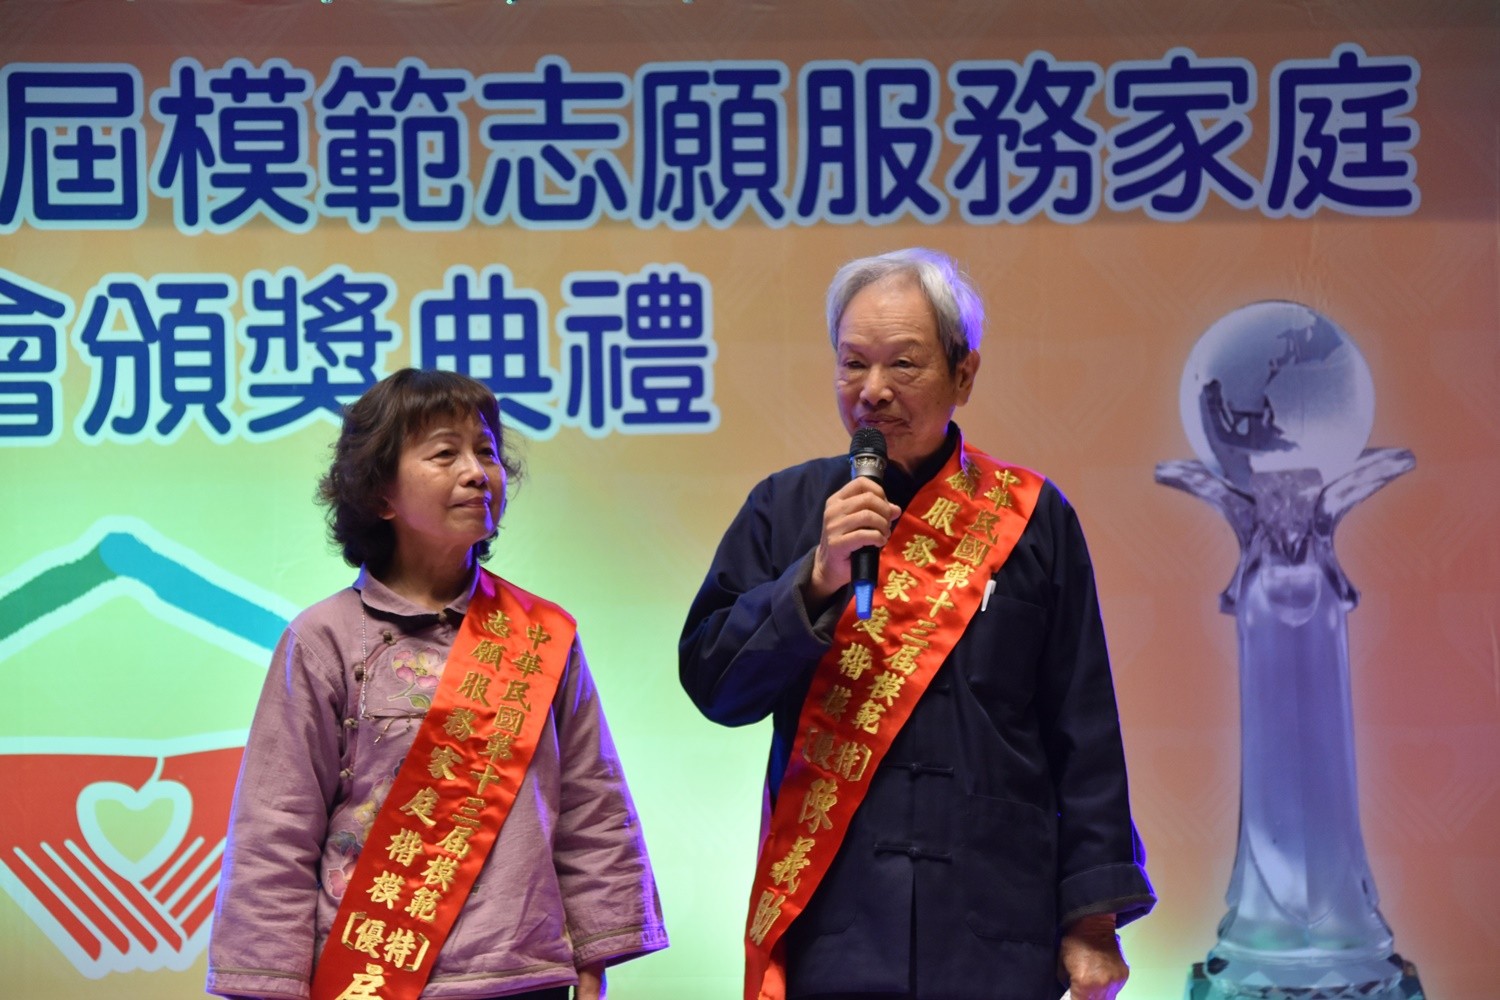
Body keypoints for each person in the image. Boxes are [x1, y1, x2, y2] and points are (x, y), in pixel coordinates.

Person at [679, 248, 1154, 1000]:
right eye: (852, 364)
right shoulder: (785, 508)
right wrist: (815, 579)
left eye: (903, 364)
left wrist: (1093, 923)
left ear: (964, 375)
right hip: (835, 922)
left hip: (996, 920)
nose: (873, 390)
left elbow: (1084, 728)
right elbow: (715, 685)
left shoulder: (1033, 517)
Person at [208, 368, 667, 1000]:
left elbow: (592, 801)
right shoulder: (323, 639)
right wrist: (270, 985)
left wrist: (596, 958)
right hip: (372, 973)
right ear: (380, 493)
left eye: (487, 452)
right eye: (445, 454)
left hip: (525, 972)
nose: (477, 473)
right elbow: (276, 825)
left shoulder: (542, 634)